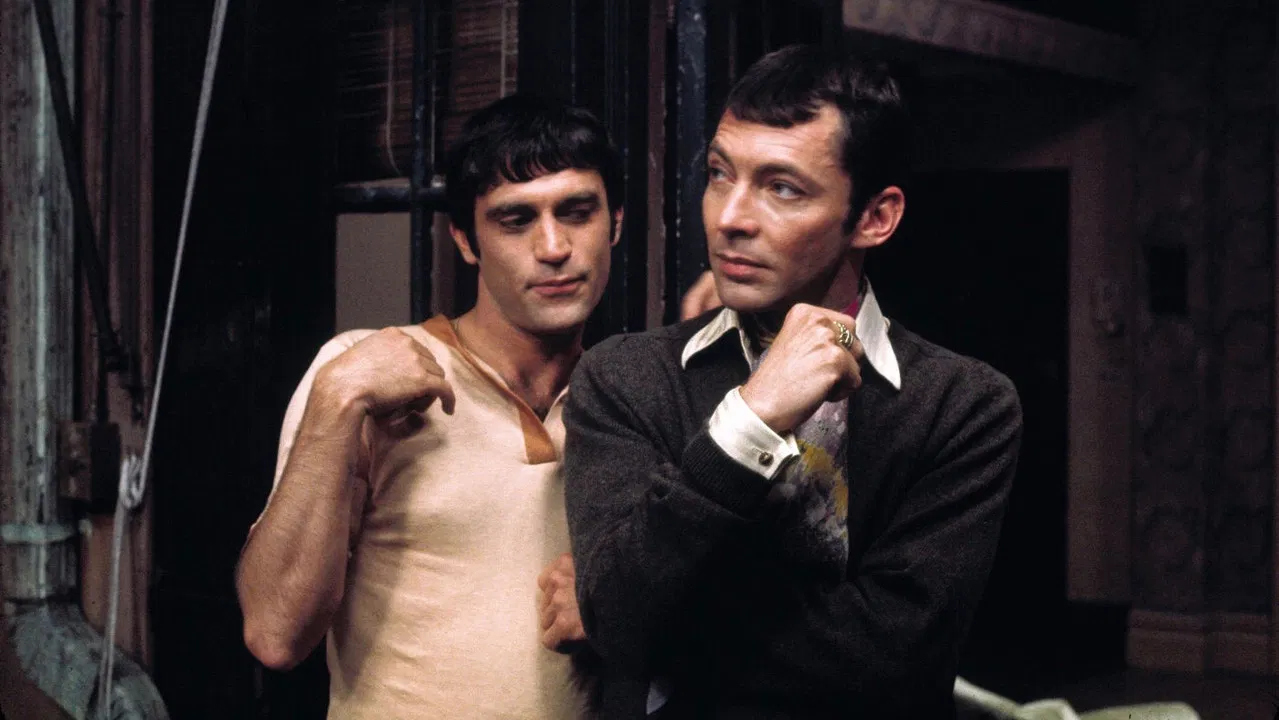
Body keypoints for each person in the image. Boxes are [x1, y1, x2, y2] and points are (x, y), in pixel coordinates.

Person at [556, 44, 1024, 718]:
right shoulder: (624, 376)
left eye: (782, 188)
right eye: (719, 174)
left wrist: (660, 630)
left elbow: (897, 661)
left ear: (875, 217)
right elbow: (622, 616)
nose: (729, 218)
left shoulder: (963, 404)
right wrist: (748, 422)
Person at [235, 94, 622, 719]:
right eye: (515, 220)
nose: (553, 246)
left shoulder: (625, 395)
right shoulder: (361, 371)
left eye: (577, 213)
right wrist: (338, 398)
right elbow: (275, 633)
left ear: (616, 224)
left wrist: (613, 600)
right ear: (465, 240)